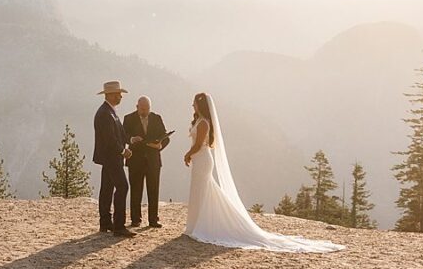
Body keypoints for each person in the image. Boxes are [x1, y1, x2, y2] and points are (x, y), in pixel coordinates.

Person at [182, 92, 343, 253]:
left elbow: (198, 145)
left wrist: (188, 154)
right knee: (200, 191)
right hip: (200, 160)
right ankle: (196, 224)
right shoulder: (200, 120)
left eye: (194, 103)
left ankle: (201, 225)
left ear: (200, 104)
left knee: (203, 190)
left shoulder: (203, 123)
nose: (192, 105)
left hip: (202, 159)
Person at [92, 81, 134, 238]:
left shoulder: (109, 112)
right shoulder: (105, 114)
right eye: (118, 94)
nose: (120, 96)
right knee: (122, 187)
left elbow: (119, 135)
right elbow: (110, 139)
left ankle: (106, 222)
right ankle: (119, 225)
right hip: (112, 157)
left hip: (110, 158)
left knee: (107, 188)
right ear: (109, 95)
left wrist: (130, 140)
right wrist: (123, 151)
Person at [123, 95, 171, 229]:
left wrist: (159, 145)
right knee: (135, 190)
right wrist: (132, 139)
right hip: (135, 160)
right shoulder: (128, 118)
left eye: (147, 109)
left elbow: (165, 137)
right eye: (142, 109)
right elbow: (122, 136)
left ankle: (153, 219)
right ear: (137, 107)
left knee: (153, 190)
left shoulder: (157, 118)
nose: (144, 111)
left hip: (153, 160)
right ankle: (135, 219)